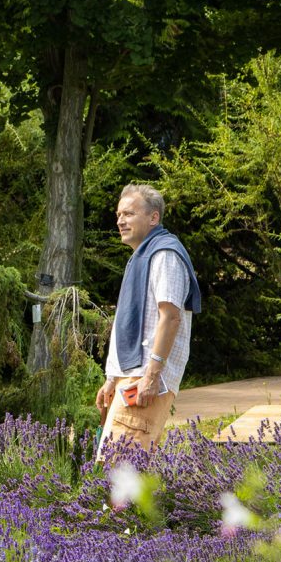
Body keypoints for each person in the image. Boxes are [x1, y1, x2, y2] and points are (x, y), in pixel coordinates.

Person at [95, 184, 202, 454]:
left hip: (144, 379)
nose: (120, 221)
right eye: (118, 215)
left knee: (120, 470)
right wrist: (111, 378)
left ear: (153, 218)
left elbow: (171, 317)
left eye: (129, 214)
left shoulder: (164, 254)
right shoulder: (142, 256)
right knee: (112, 468)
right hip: (130, 377)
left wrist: (152, 377)